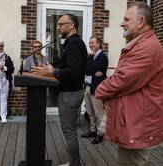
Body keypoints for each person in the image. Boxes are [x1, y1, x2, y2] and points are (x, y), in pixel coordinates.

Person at [95, 2, 163, 166]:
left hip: (138, 122)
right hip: (135, 119)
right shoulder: (142, 44)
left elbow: (121, 80)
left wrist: (100, 91)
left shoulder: (145, 48)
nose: (121, 23)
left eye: (126, 19)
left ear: (141, 22)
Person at [32, 14, 87, 166]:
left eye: (61, 24)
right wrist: (53, 70)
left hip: (70, 94)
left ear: (71, 25)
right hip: (71, 92)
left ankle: (74, 164)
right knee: (70, 132)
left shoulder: (74, 44)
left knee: (69, 133)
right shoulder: (74, 43)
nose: (58, 28)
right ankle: (73, 162)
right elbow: (75, 68)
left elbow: (74, 71)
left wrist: (53, 72)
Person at [81, 36, 108, 144]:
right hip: (87, 87)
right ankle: (93, 130)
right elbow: (84, 69)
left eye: (92, 43)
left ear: (99, 44)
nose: (90, 44)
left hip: (97, 88)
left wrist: (90, 66)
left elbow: (89, 69)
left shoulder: (102, 57)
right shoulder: (90, 56)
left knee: (98, 113)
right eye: (89, 42)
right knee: (90, 112)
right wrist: (92, 71)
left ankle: (100, 134)